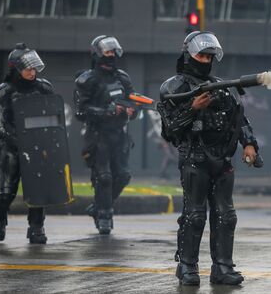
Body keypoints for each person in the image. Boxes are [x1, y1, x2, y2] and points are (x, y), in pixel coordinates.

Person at [158, 31, 260, 286]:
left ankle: (223, 268)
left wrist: (248, 143)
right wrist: (193, 108)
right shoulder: (175, 87)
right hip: (194, 158)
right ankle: (187, 267)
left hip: (223, 160)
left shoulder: (222, 87)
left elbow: (239, 118)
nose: (205, 60)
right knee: (194, 216)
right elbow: (169, 130)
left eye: (208, 56)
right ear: (189, 55)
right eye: (201, 55)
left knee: (227, 216)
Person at [0, 43, 53, 244]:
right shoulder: (4, 92)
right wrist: (20, 143)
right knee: (7, 190)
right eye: (28, 68)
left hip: (38, 146)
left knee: (37, 190)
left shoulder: (44, 88)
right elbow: (1, 126)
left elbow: (53, 117)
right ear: (16, 68)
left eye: (34, 68)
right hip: (12, 148)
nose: (32, 72)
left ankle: (36, 227)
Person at [74, 35, 137, 235]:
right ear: (98, 54)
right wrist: (107, 111)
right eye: (107, 52)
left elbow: (134, 102)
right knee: (104, 177)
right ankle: (104, 216)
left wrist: (131, 110)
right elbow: (80, 111)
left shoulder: (123, 78)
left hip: (120, 134)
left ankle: (97, 206)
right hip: (98, 135)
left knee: (123, 176)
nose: (111, 56)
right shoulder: (87, 80)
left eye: (113, 52)